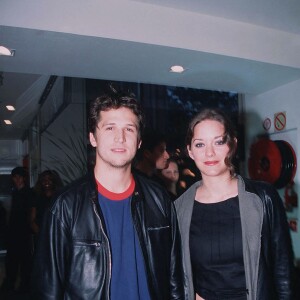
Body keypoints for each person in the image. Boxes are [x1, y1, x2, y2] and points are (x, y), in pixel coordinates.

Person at [31, 92, 185, 299]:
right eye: (110, 127)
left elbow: (174, 278)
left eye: (129, 129)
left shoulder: (159, 199)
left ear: (139, 141)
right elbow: (48, 290)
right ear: (92, 137)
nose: (120, 138)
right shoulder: (64, 206)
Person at [175, 108, 294, 300]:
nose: (209, 152)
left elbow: (283, 271)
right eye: (199, 144)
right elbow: (177, 276)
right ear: (190, 151)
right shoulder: (178, 209)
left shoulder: (264, 197)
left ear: (233, 144)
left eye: (219, 142)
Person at [1, 166, 34, 293]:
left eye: (20, 177)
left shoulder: (29, 193)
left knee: (25, 263)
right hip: (13, 233)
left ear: (24, 178)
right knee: (12, 263)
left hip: (24, 233)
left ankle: (24, 289)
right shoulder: (13, 193)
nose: (18, 179)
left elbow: (30, 213)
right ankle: (10, 287)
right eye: (15, 177)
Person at [30, 170, 63, 247]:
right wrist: (41, 234)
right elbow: (32, 220)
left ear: (54, 181)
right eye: (44, 180)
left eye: (49, 179)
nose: (46, 182)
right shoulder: (36, 197)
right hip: (40, 235)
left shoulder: (60, 197)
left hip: (57, 236)